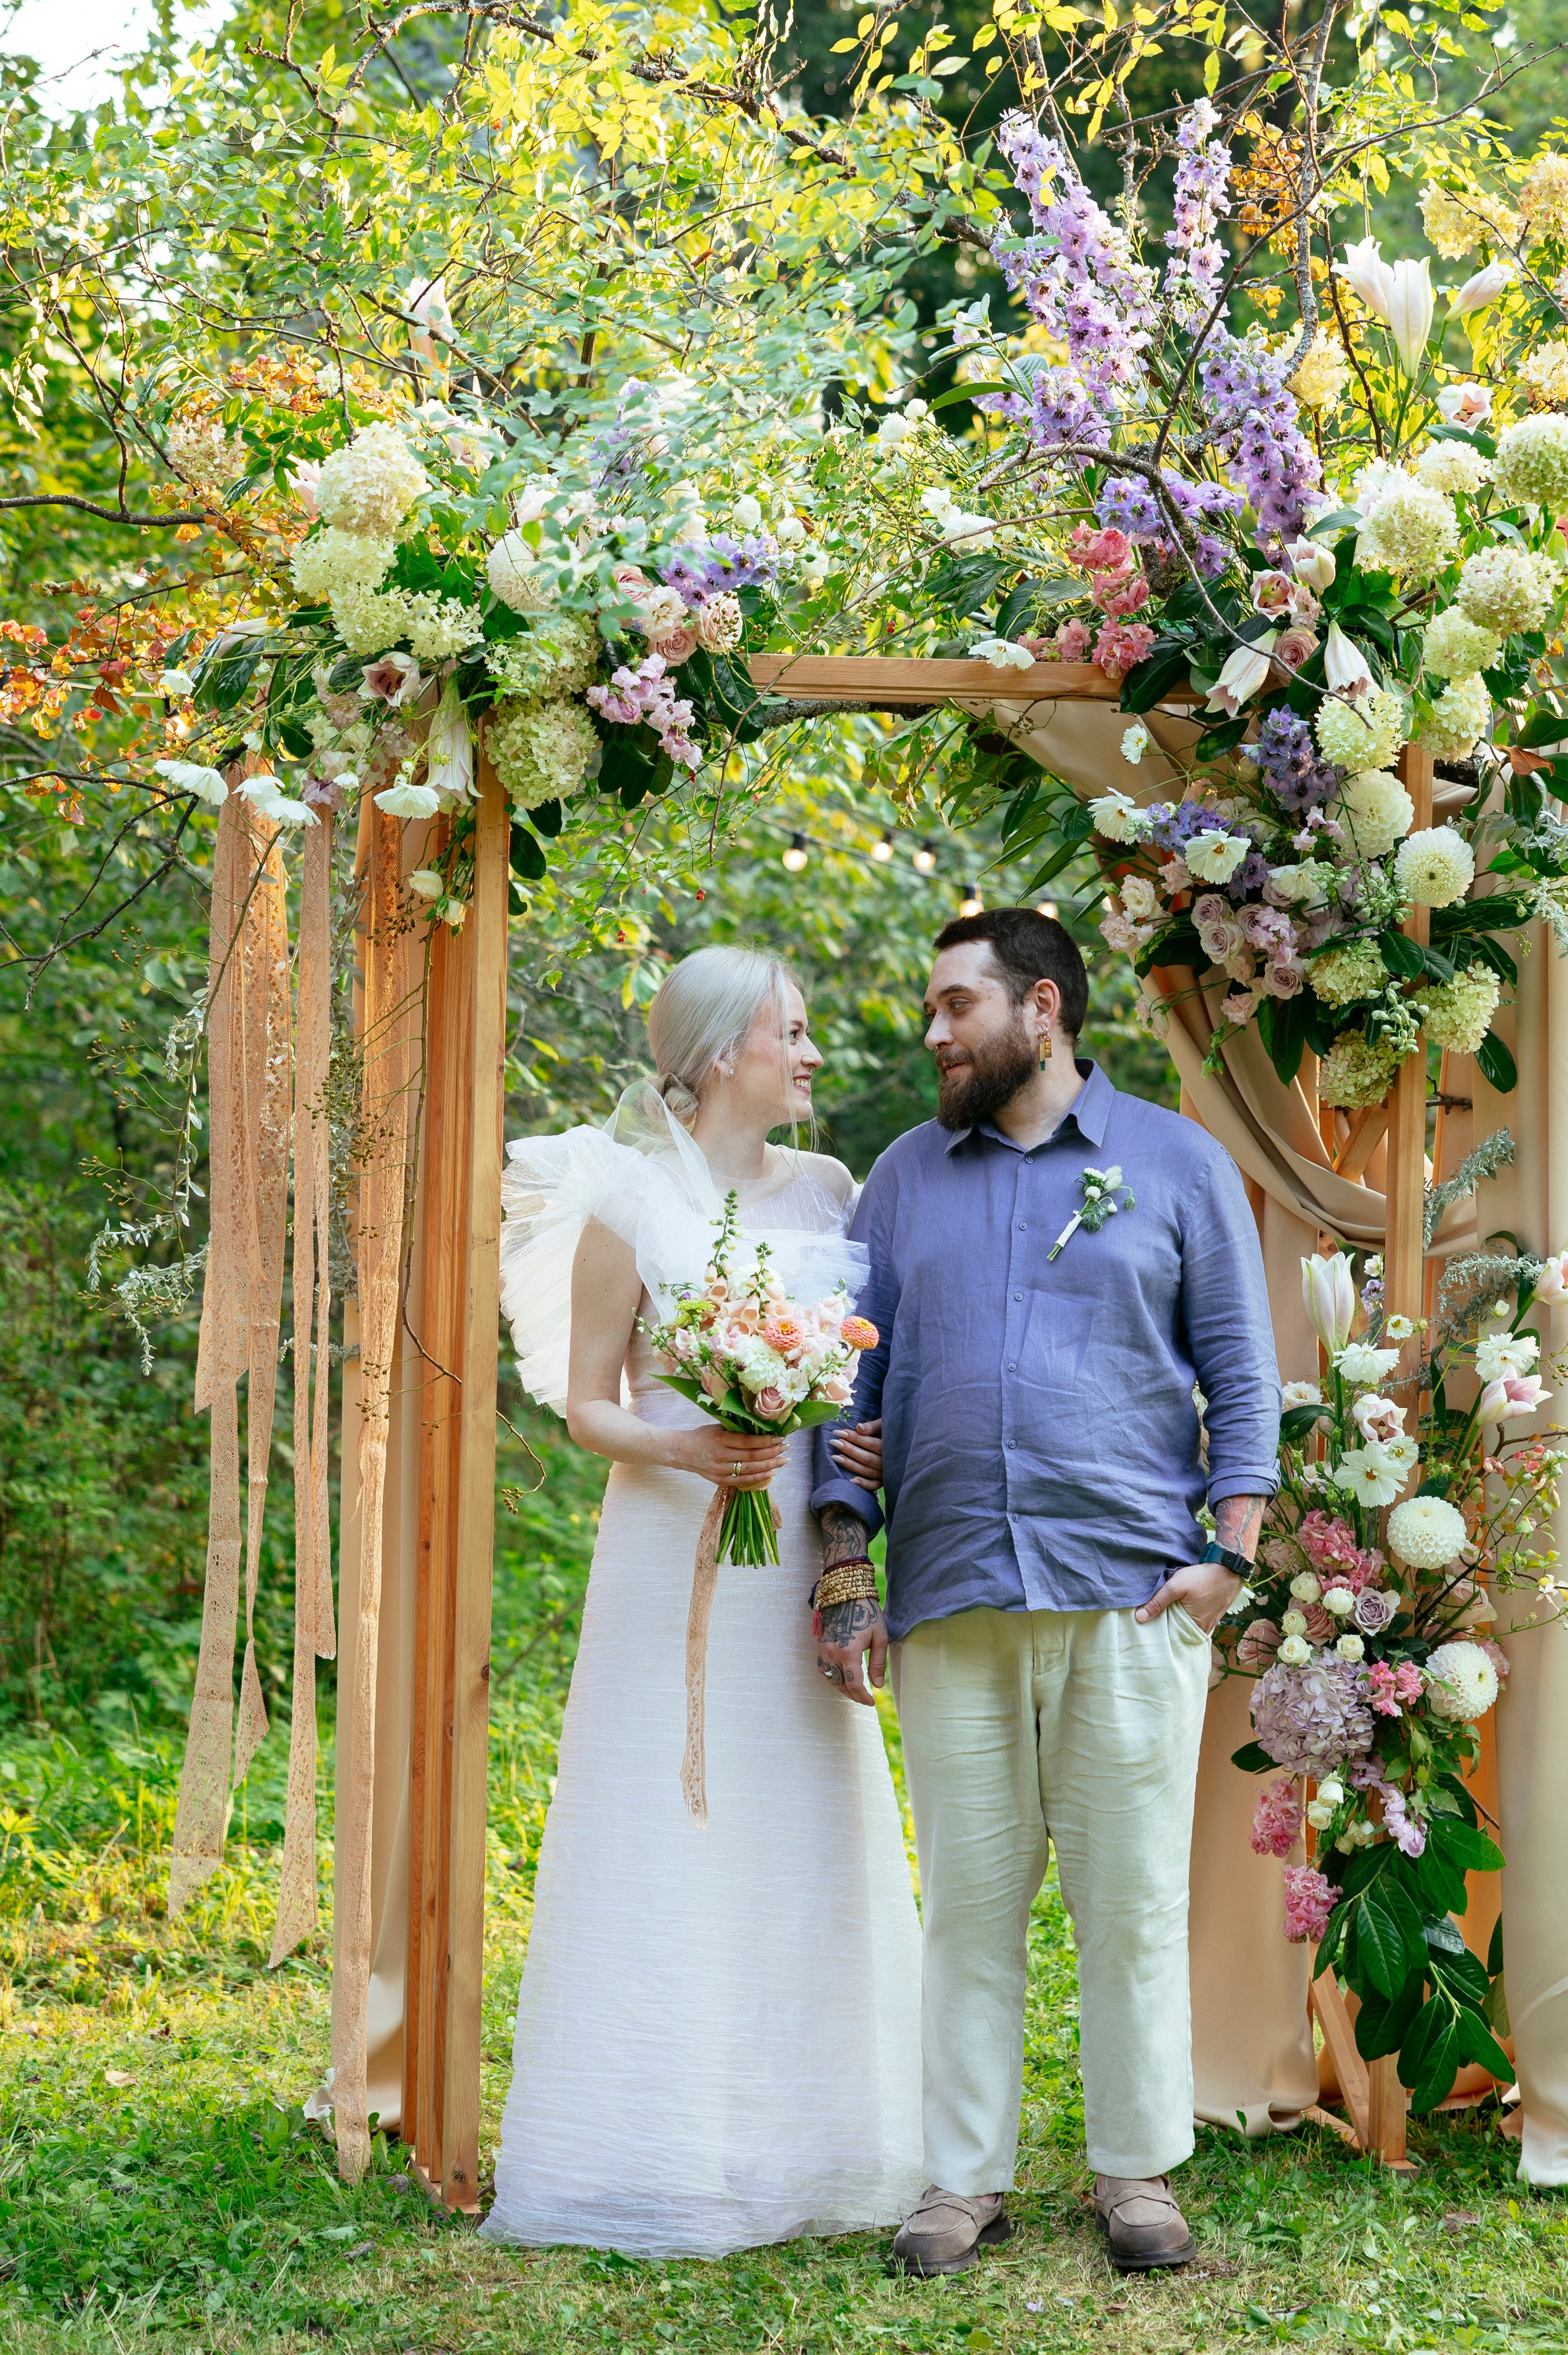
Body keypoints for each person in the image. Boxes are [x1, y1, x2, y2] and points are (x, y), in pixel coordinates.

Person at [812, 907, 1281, 2279]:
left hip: (1129, 1594)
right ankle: (962, 2180)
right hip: (952, 1590)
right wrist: (844, 1569)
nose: (934, 1034)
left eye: (955, 1005)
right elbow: (845, 1384)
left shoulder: (1177, 1163)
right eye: (931, 1010)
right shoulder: (903, 1178)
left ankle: (1134, 2172)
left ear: (1042, 1009)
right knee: (968, 1906)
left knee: (1128, 1906)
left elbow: (1241, 1372)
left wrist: (1231, 1556)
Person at [479, 944, 922, 2257]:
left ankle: (821, 2142)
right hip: (669, 1545)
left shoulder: (833, 1190)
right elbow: (586, 1404)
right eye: (793, 1031)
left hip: (792, 1554)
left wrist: (860, 1445)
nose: (811, 1054)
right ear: (725, 1050)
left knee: (799, 1812)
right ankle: (651, 2143)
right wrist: (686, 1447)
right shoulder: (628, 1202)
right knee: (669, 1813)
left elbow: (862, 1372)